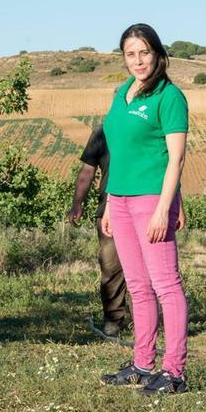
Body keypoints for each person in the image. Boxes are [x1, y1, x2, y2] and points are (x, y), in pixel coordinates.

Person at [98, 23, 190, 396]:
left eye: (144, 52)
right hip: (118, 200)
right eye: (130, 54)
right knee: (137, 286)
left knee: (166, 285)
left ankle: (174, 371)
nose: (138, 60)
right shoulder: (122, 93)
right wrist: (108, 202)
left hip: (152, 200)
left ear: (157, 54)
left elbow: (177, 158)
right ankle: (141, 363)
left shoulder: (170, 97)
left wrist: (164, 208)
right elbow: (118, 153)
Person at [67, 125, 129, 337]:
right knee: (111, 267)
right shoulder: (103, 133)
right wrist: (77, 203)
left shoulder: (150, 127)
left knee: (149, 269)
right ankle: (113, 318)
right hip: (108, 211)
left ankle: (146, 319)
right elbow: (87, 170)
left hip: (145, 206)